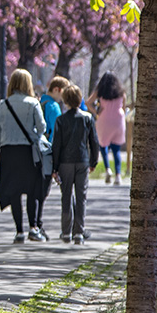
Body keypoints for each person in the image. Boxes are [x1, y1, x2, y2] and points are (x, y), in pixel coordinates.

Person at [0, 68, 48, 243]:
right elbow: (42, 128)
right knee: (32, 190)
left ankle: (19, 231)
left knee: (14, 192)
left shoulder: (3, 104)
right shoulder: (33, 103)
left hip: (8, 152)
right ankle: (33, 227)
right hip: (27, 152)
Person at [52, 85, 100, 244]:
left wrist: (54, 166)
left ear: (65, 100)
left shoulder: (61, 120)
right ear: (80, 99)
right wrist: (93, 161)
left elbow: (56, 145)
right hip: (82, 160)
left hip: (65, 162)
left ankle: (66, 231)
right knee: (81, 197)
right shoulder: (87, 118)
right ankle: (79, 231)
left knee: (66, 196)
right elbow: (94, 142)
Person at [34, 76, 69, 239]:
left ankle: (35, 223)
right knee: (44, 190)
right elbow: (56, 134)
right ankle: (38, 224)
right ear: (57, 90)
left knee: (36, 189)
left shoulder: (40, 103)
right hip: (48, 153)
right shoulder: (54, 106)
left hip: (36, 151)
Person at [88, 72, 128, 185]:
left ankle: (107, 169)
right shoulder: (121, 92)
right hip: (118, 120)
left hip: (104, 118)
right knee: (116, 150)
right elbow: (123, 107)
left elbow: (87, 102)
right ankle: (118, 176)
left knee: (103, 145)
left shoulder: (100, 92)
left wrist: (96, 112)